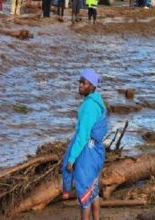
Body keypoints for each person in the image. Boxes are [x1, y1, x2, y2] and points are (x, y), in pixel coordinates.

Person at [62, 69, 108, 220]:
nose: (80, 85)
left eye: (84, 83)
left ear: (93, 86)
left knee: (84, 194)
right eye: (80, 82)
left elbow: (82, 136)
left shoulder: (89, 106)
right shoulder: (96, 101)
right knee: (93, 190)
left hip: (87, 153)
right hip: (96, 151)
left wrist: (71, 159)